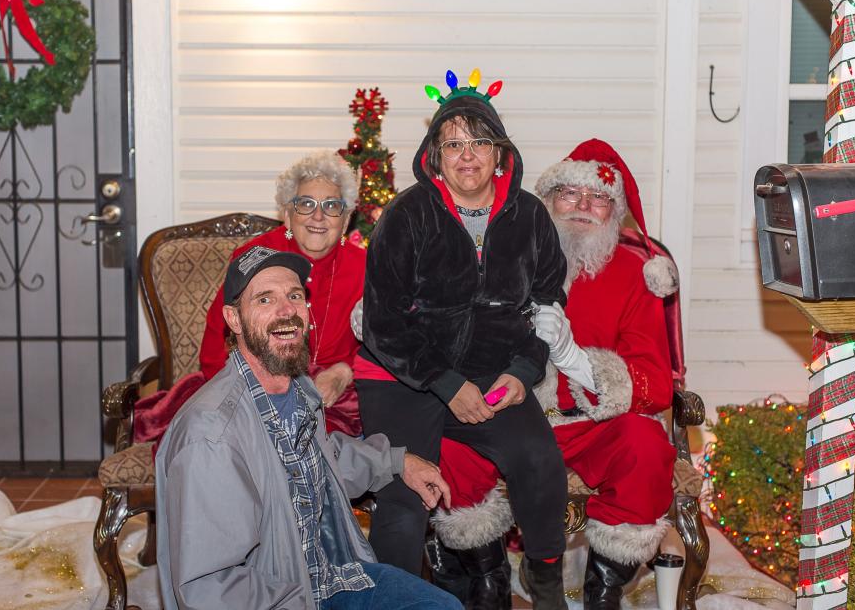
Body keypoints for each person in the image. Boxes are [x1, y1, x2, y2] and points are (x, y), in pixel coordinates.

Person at [433, 139, 680, 610]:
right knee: (450, 447)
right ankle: (490, 582)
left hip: (589, 426)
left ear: (616, 212)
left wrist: (575, 360)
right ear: (545, 202)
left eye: (600, 198)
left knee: (646, 449)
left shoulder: (634, 274)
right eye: (569, 194)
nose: (584, 207)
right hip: (503, 416)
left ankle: (602, 592)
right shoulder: (498, 258)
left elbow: (656, 381)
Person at [355, 69, 570, 609]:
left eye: (478, 141)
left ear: (500, 153)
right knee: (405, 499)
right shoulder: (407, 216)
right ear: (435, 155)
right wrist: (446, 383)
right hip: (405, 379)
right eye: (453, 142)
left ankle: (545, 586)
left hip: (493, 373)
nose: (466, 153)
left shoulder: (530, 218)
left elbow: (547, 305)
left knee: (540, 459)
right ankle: (393, 600)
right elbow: (382, 324)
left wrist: (524, 372)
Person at [156, 246, 462, 610]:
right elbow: (211, 590)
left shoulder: (297, 388)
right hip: (279, 600)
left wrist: (397, 462)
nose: (286, 310)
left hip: (326, 578)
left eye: (295, 295)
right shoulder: (211, 436)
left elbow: (321, 463)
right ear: (234, 319)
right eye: (265, 299)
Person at [198, 151, 367, 436]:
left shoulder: (366, 267)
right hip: (256, 394)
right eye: (306, 204)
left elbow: (385, 346)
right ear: (287, 215)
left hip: (337, 403)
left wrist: (344, 371)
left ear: (346, 219)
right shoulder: (252, 259)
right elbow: (217, 343)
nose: (318, 216)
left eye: (331, 205)